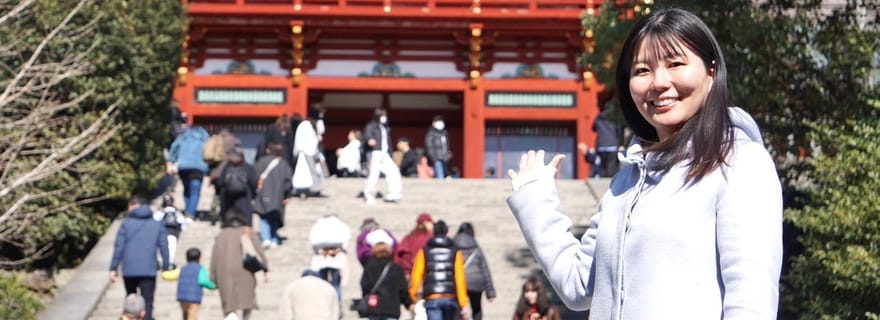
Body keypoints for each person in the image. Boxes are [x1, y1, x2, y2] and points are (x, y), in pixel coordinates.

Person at [506, 8, 783, 319]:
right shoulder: (625, 184)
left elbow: (751, 303)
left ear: (711, 71)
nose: (659, 82)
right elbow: (578, 285)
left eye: (675, 64)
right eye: (642, 70)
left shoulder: (739, 163)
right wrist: (536, 201)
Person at [109, 196, 171, 320]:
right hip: (148, 269)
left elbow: (119, 247)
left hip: (129, 269)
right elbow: (164, 246)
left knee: (130, 299)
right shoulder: (157, 224)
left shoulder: (126, 224)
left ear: (133, 206)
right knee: (148, 301)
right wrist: (165, 266)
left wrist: (113, 267)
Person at [211, 208, 269, 320]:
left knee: (229, 304)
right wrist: (265, 268)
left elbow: (214, 258)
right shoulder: (248, 231)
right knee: (246, 301)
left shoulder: (222, 235)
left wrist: (213, 279)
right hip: (245, 270)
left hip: (225, 273)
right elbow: (259, 251)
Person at [408, 220, 470, 320]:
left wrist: (412, 295)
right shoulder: (455, 251)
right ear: (447, 232)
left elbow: (416, 275)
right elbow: (460, 277)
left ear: (433, 232)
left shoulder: (424, 251)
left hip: (432, 297)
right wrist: (463, 302)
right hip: (450, 297)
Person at [360, 230, 412, 320]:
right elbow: (402, 288)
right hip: (391, 309)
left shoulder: (369, 267)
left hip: (374, 308)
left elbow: (365, 286)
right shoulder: (396, 268)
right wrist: (408, 303)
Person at [253, 142, 294, 248]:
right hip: (278, 195)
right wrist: (287, 195)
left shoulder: (261, 162)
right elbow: (288, 181)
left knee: (264, 216)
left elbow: (254, 177)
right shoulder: (283, 164)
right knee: (275, 217)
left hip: (263, 193)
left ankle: (265, 237)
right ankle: (273, 237)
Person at [453, 223, 496, 320]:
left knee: (458, 309)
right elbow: (485, 269)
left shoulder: (453, 246)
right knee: (476, 309)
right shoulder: (476, 247)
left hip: (459, 282)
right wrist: (490, 292)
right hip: (476, 282)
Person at [167, 124, 210, 219]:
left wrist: (171, 161)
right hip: (199, 166)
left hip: (183, 166)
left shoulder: (183, 137)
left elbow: (174, 148)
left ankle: (187, 209)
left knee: (186, 189)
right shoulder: (204, 137)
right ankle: (191, 213)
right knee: (195, 190)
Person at [308, 214, 352, 307]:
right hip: (337, 256)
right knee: (336, 284)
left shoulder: (318, 226)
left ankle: (323, 303)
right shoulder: (341, 225)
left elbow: (313, 241)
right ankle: (337, 304)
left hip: (321, 256)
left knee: (322, 283)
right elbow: (346, 241)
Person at [362, 108, 403, 204]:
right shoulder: (371, 126)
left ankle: (394, 193)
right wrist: (370, 140)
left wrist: (390, 152)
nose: (384, 117)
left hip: (385, 153)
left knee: (393, 171)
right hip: (375, 152)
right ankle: (369, 195)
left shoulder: (385, 127)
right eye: (382, 115)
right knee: (374, 174)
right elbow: (367, 135)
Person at [215, 147, 258, 227]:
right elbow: (254, 183)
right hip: (245, 199)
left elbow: (220, 182)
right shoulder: (248, 167)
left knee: (229, 223)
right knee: (245, 224)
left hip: (228, 200)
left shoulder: (226, 167)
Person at [177, 248, 217, 320]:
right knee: (193, 316)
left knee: (185, 315)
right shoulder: (200, 268)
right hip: (194, 298)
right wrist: (213, 285)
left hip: (182, 297)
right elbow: (203, 281)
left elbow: (174, 275)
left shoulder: (183, 268)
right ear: (199, 258)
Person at [293, 107, 325, 197]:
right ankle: (307, 188)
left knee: (312, 172)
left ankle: (314, 188)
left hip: (310, 152)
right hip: (305, 152)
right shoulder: (305, 125)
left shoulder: (309, 126)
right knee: (306, 172)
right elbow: (305, 141)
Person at [153, 194, 185, 266]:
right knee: (171, 249)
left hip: (161, 234)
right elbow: (182, 222)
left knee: (161, 248)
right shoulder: (177, 212)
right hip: (173, 233)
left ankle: (161, 262)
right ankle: (169, 263)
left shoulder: (160, 212)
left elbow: (154, 222)